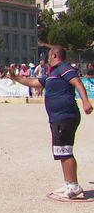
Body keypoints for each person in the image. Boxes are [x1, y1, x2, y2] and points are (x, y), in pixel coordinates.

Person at [10, 46, 92, 199]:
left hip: (65, 115)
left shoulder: (64, 68)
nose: (47, 59)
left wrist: (85, 101)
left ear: (54, 55)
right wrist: (16, 77)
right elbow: (33, 82)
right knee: (61, 150)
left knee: (66, 150)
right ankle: (68, 183)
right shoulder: (51, 74)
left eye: (48, 56)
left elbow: (78, 83)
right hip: (57, 117)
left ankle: (74, 185)